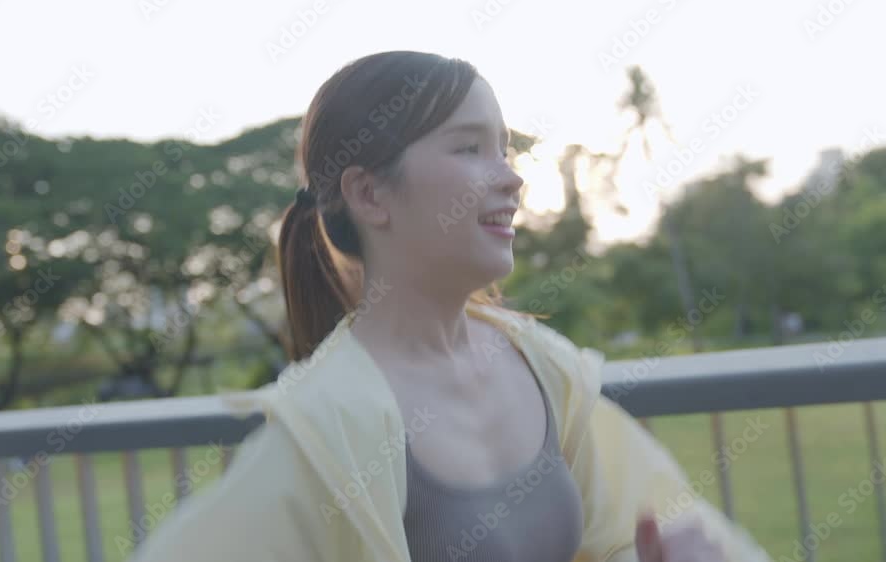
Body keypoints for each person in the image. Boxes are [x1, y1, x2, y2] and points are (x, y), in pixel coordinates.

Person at [128, 50, 772, 562]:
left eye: (504, 150)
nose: (512, 178)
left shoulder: (544, 366)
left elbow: (629, 530)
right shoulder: (325, 428)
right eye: (468, 148)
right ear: (369, 195)